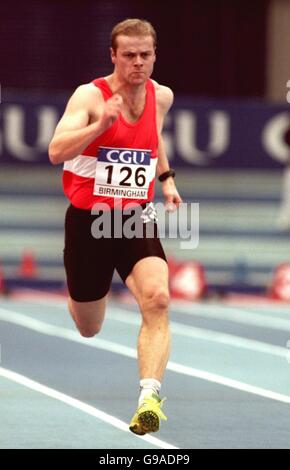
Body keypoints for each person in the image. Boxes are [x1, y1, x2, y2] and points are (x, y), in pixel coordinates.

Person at [48, 18, 182, 435]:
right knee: (90, 326)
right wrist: (100, 125)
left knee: (158, 298)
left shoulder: (162, 96)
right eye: (129, 55)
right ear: (113, 55)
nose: (138, 63)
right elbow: (56, 151)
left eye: (145, 55)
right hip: (89, 220)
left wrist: (166, 179)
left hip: (134, 215)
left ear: (155, 55)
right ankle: (79, 287)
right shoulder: (89, 96)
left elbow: (153, 140)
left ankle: (149, 397)